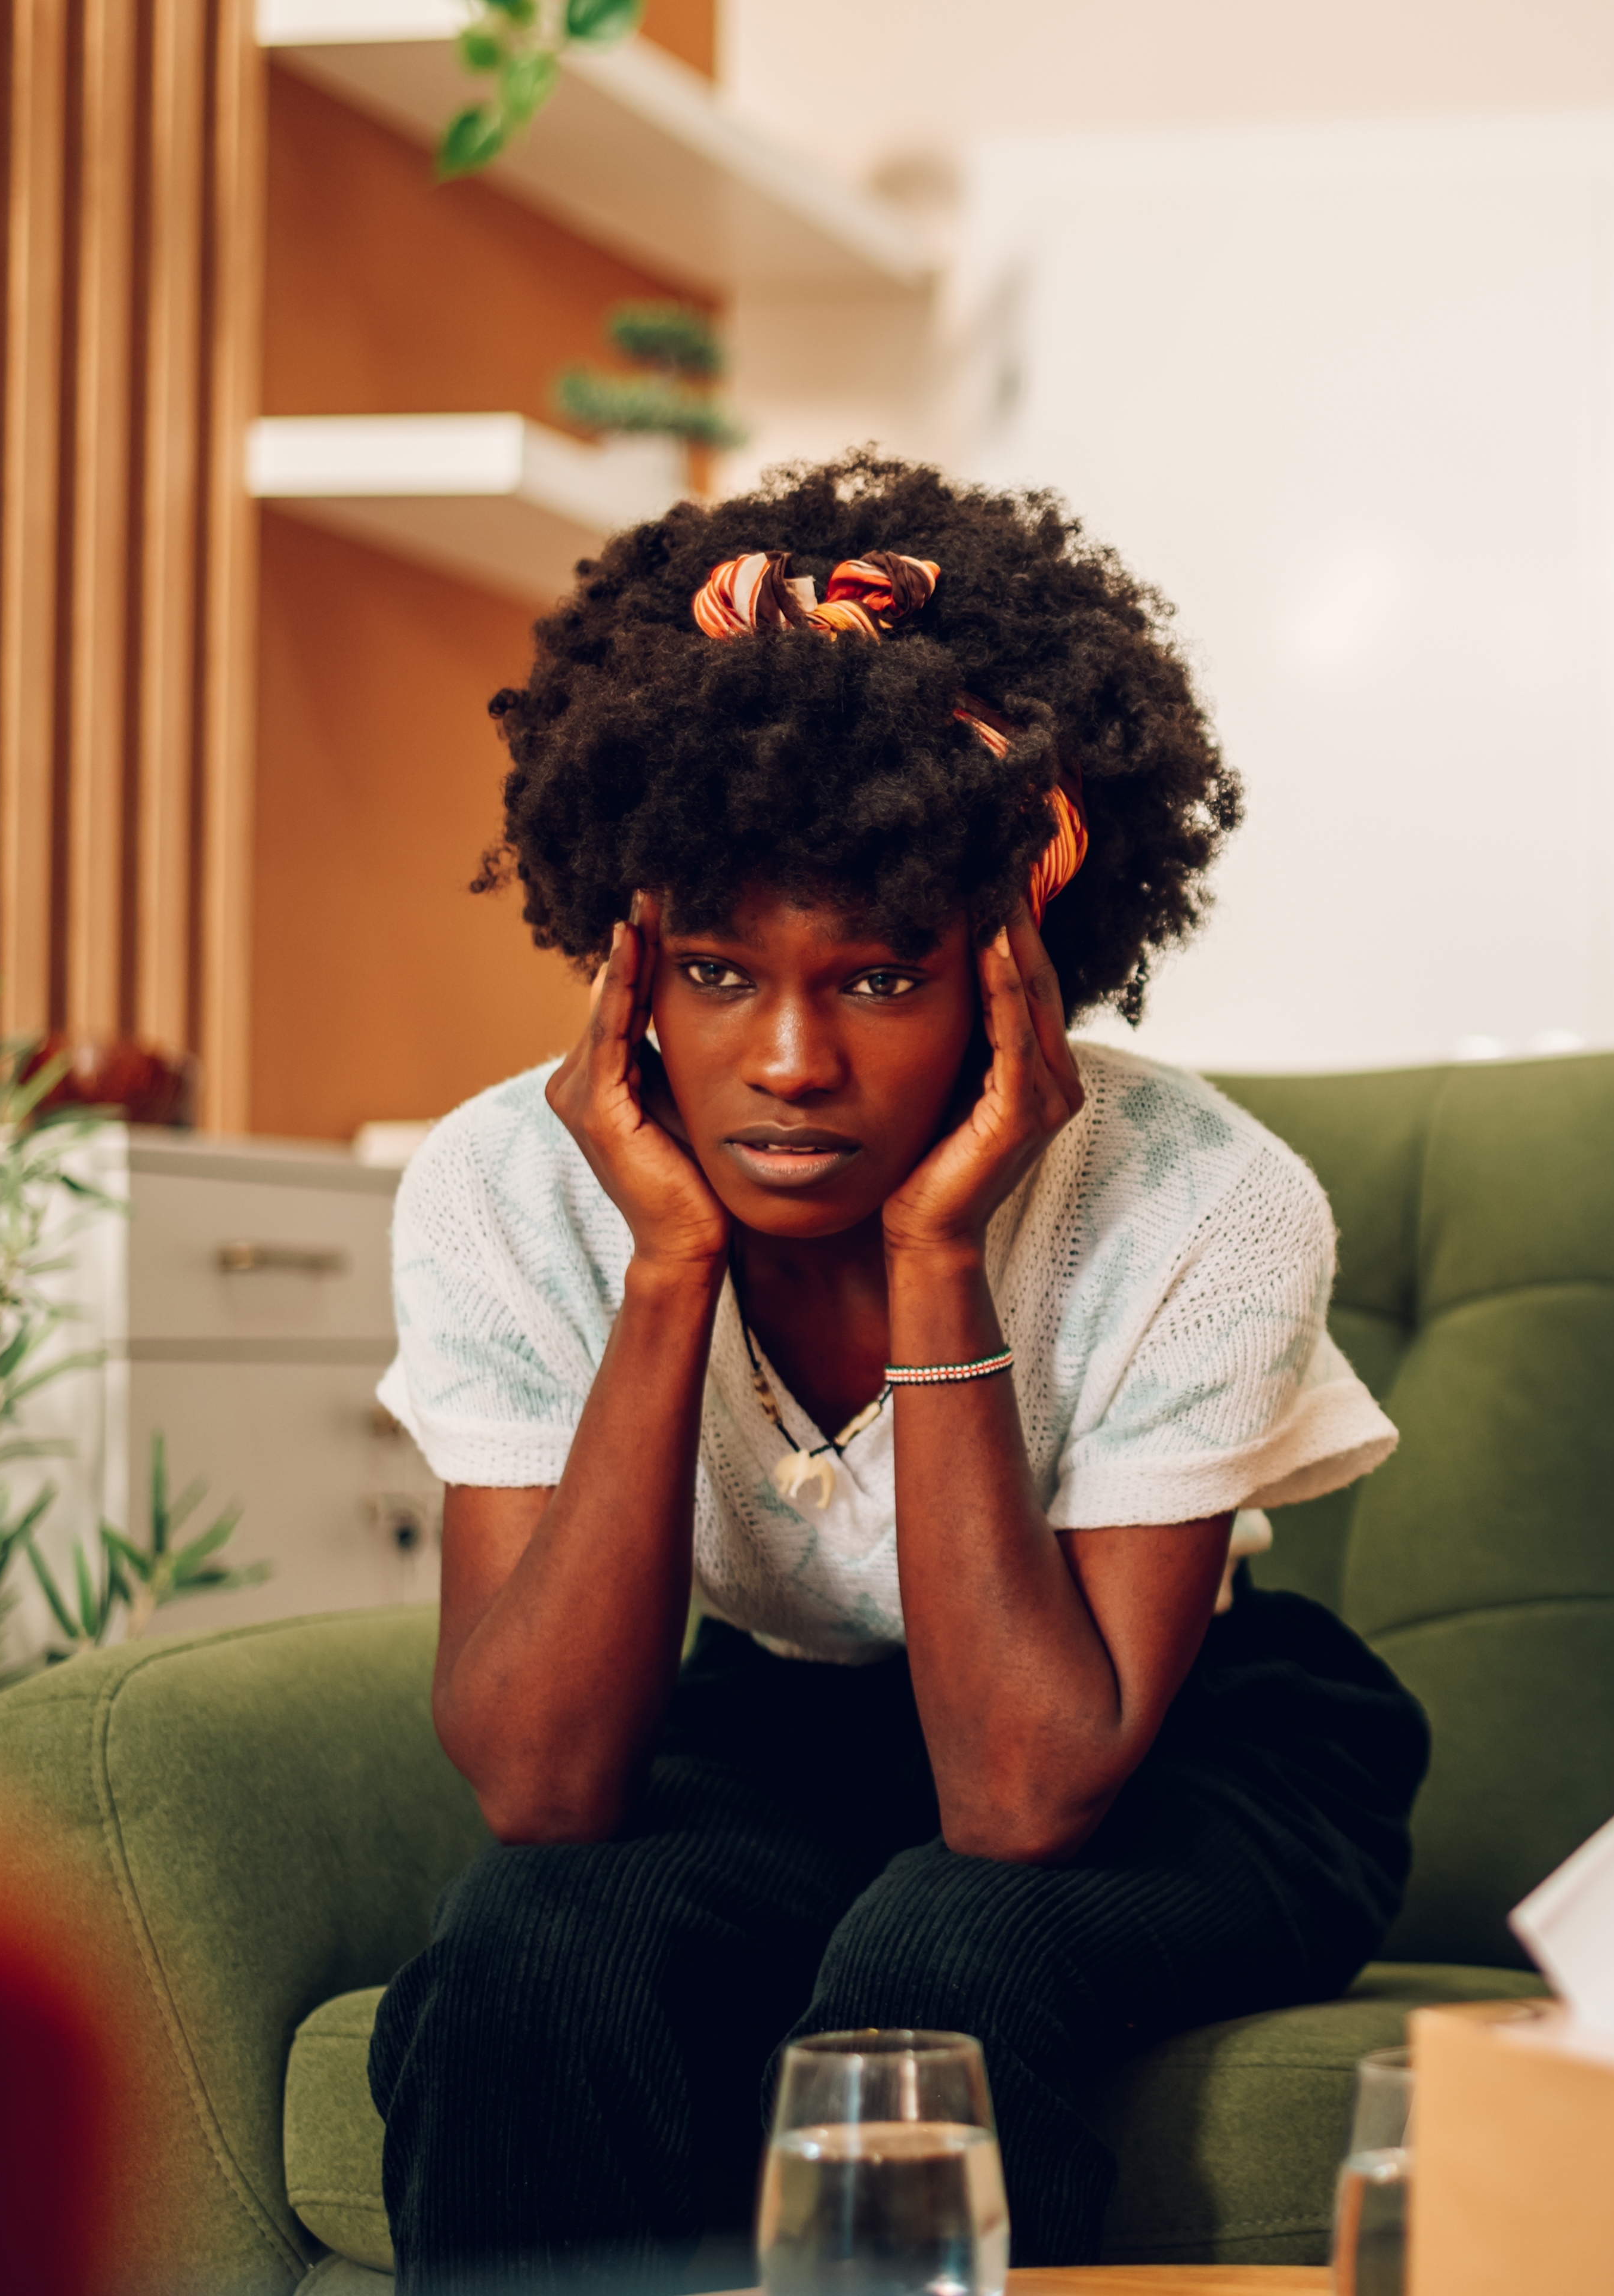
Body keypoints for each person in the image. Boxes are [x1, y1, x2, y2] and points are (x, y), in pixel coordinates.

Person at [366, 452, 1426, 2292]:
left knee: (941, 1971)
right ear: (627, 969)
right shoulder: (508, 1188)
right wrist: (668, 1265)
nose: (786, 1060)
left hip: (1178, 1748)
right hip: (782, 1726)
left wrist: (942, 1253)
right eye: (714, 972)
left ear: (1016, 963)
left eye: (875, 979)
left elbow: (1025, 1799)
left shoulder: (1207, 1203)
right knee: (532, 1956)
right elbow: (541, 1787)